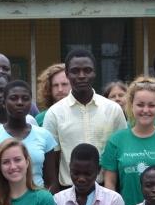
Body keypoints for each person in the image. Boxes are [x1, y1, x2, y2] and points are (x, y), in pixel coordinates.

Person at [43, 49, 127, 186]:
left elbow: (121, 153)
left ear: (95, 73)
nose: (81, 75)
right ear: (67, 74)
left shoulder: (113, 110)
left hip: (107, 189)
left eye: (87, 70)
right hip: (67, 191)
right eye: (75, 71)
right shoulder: (54, 113)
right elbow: (52, 162)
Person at [102, 77, 155, 205]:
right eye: (140, 105)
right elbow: (109, 182)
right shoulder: (116, 140)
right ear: (131, 105)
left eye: (151, 105)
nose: (146, 110)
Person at [0, 80, 60, 190]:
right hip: (4, 203)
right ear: (4, 102)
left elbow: (51, 181)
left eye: (25, 99)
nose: (20, 102)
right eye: (13, 98)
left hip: (39, 202)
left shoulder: (44, 136)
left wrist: (44, 201)